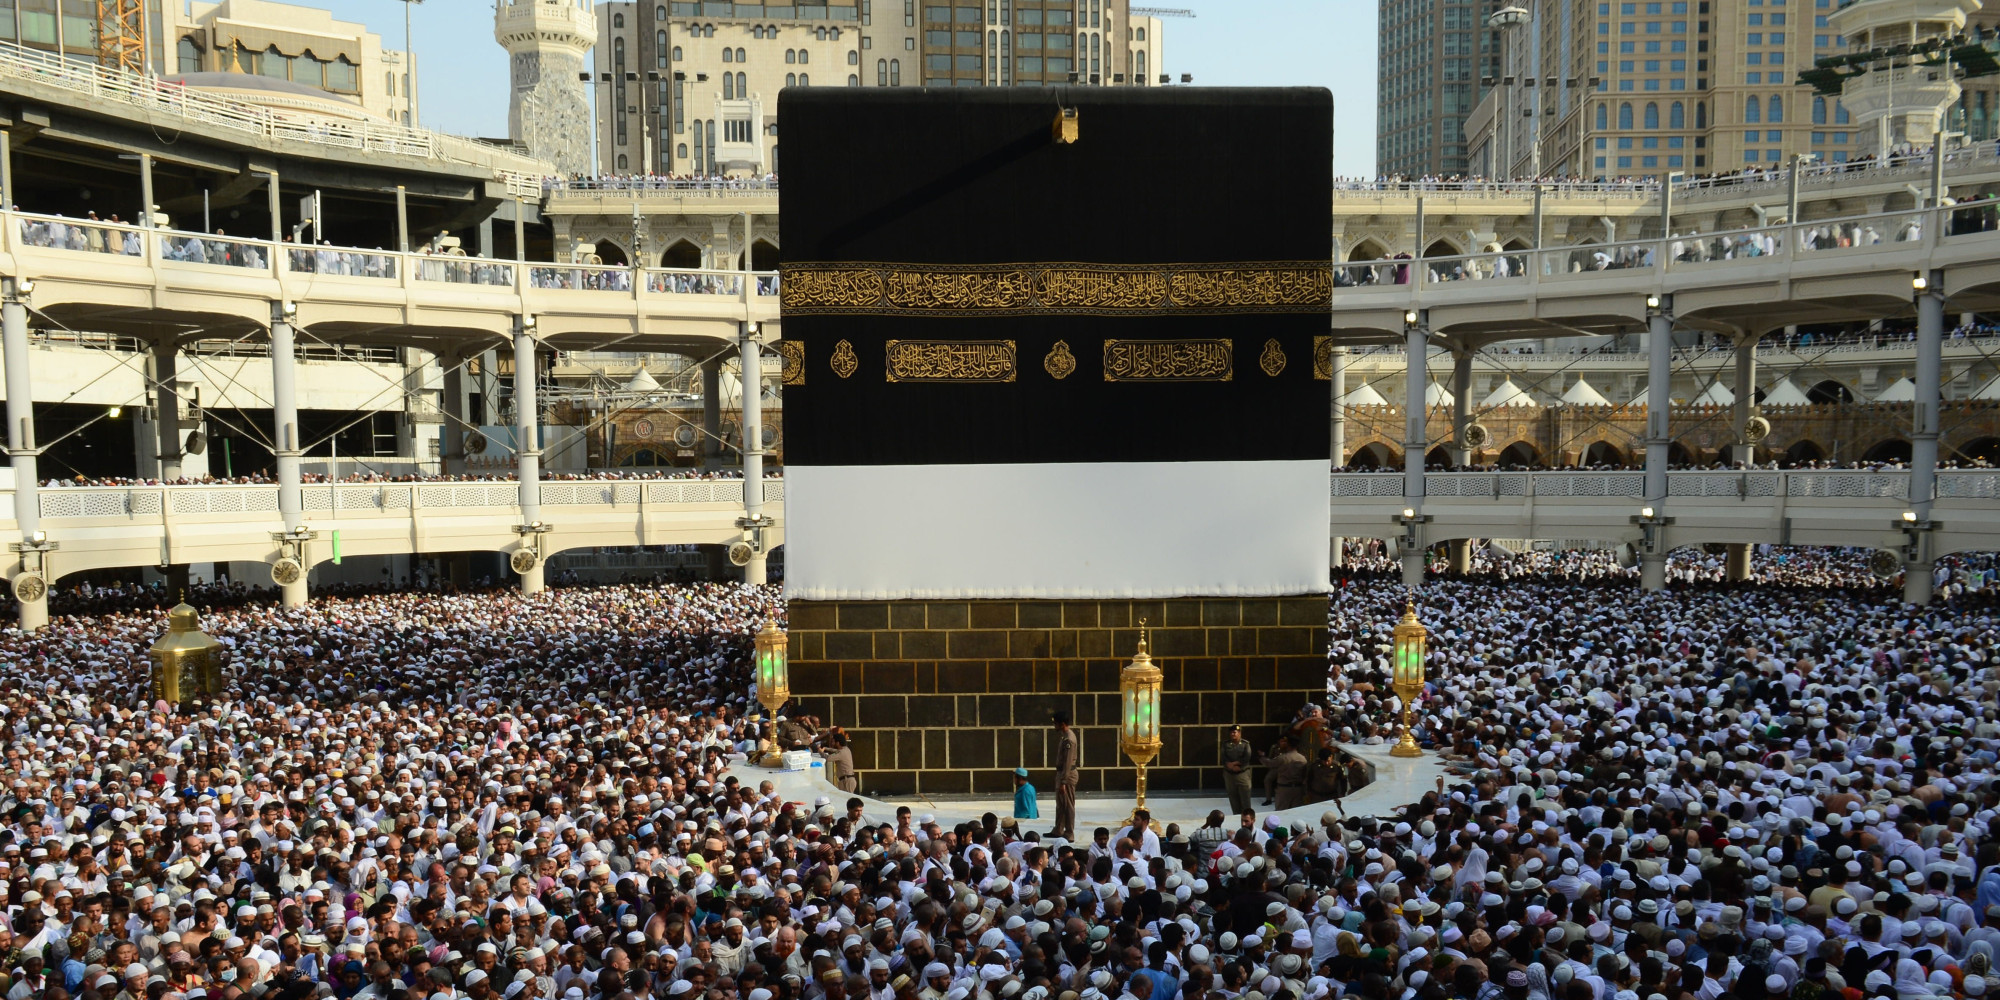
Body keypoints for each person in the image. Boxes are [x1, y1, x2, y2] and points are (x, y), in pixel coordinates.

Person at [1050, 709, 1078, 840]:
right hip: (1062, 773)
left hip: (1067, 774)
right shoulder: (1064, 736)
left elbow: (1067, 763)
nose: (1054, 726)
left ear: (1062, 724)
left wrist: (1063, 782)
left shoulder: (1069, 740)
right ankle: (1058, 829)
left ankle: (1069, 832)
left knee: (1068, 805)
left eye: (1055, 723)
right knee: (1061, 804)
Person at [1262, 734, 1308, 810]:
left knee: (1281, 812)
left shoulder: (1283, 758)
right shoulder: (1303, 759)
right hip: (1298, 790)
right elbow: (1305, 775)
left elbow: (1270, 763)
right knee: (1296, 813)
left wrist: (1261, 757)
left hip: (1284, 789)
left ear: (1288, 744)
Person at [1220, 724, 1256, 815]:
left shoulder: (1245, 744)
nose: (1233, 734)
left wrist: (1235, 764)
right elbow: (1223, 758)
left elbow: (1247, 757)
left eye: (1235, 732)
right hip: (1229, 775)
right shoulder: (1225, 744)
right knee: (1233, 798)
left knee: (1245, 799)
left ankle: (1247, 818)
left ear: (1239, 733)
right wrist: (1230, 766)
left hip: (1242, 774)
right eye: (1231, 732)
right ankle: (1236, 816)